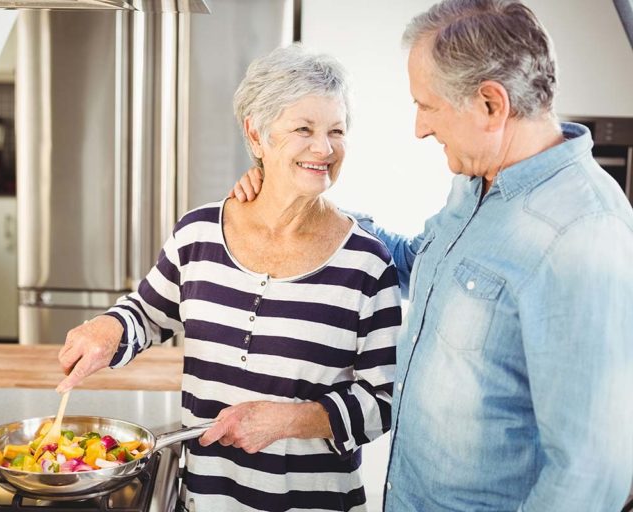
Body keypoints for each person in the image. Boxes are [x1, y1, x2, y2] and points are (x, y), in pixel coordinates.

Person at [231, 1, 633, 511]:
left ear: (491, 104)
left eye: (428, 105)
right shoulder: (475, 183)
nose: (420, 128)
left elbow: (590, 474)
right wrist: (307, 203)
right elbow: (423, 261)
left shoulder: (582, 233)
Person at [56, 44, 402, 512]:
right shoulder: (198, 232)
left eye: (336, 131)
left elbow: (382, 402)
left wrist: (288, 421)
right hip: (206, 498)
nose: (324, 148)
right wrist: (110, 328)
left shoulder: (367, 263)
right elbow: (148, 314)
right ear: (256, 135)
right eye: (304, 129)